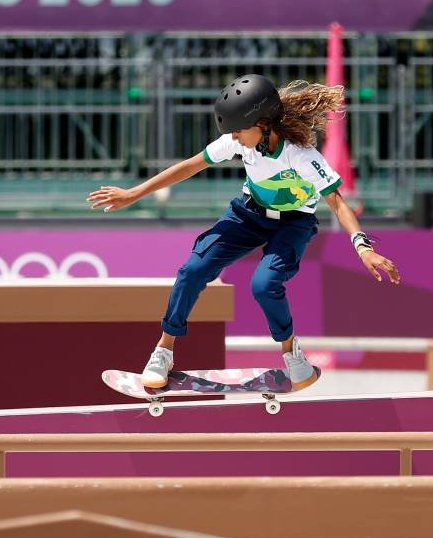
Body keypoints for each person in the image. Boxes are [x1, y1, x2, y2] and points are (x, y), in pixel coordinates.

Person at [87, 74, 400, 391]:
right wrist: (134, 193)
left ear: (263, 124)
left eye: (238, 130)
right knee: (192, 270)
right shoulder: (238, 141)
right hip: (248, 213)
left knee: (264, 285)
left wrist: (363, 247)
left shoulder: (302, 156)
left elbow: (337, 202)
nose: (234, 138)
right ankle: (164, 350)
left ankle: (292, 353)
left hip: (293, 224)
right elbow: (191, 165)